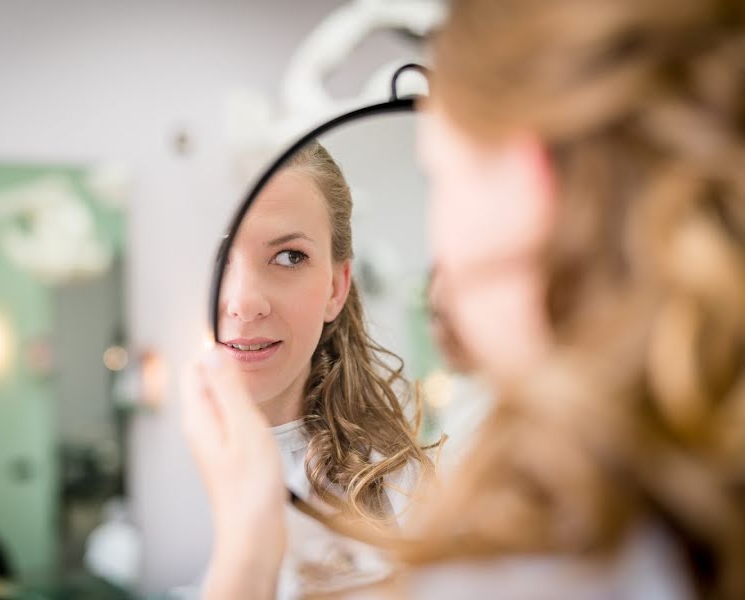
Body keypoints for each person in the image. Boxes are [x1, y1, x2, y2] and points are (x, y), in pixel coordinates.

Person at [183, 0, 745, 598]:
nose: (243, 301)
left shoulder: (537, 546)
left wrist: (246, 556)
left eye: (440, 175)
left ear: (524, 184)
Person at [195, 140, 435, 597]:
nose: (244, 303)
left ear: (336, 287)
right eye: (220, 258)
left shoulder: (401, 489)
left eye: (289, 256)